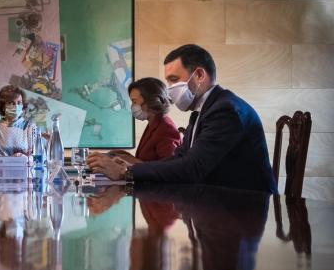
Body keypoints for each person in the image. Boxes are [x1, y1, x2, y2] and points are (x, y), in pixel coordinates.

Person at [87, 44, 276, 193]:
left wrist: (126, 172)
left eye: (174, 80)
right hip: (219, 205)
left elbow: (192, 167)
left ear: (199, 75)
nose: (168, 89)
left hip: (245, 211)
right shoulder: (203, 110)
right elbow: (179, 158)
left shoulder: (225, 110)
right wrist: (130, 166)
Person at [109, 77, 181, 164]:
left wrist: (129, 159)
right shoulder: (153, 124)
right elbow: (147, 161)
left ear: (151, 101)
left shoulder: (166, 129)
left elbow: (169, 170)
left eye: (134, 102)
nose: (132, 106)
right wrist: (126, 156)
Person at [0, 85, 39, 157]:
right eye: (11, 103)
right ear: (2, 106)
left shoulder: (30, 127)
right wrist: (11, 160)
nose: (16, 106)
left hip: (24, 167)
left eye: (19, 103)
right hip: (1, 168)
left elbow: (37, 156)